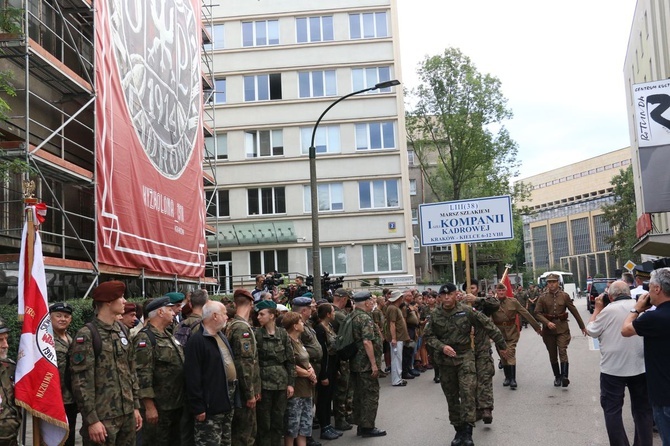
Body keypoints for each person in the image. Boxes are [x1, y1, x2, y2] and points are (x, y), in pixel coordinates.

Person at [424, 283, 508, 446]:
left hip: (465, 358)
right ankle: (459, 431)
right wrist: (442, 347)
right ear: (440, 297)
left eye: (450, 294)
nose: (447, 298)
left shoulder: (467, 311)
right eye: (444, 295)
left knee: (468, 392)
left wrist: (502, 345)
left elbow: (488, 324)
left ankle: (468, 433)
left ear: (456, 295)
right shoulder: (435, 315)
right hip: (446, 361)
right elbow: (428, 336)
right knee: (452, 397)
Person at [70, 280, 143, 445]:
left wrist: (135, 406)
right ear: (108, 302)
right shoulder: (87, 334)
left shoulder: (122, 330)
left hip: (127, 414)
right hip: (103, 419)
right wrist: (92, 420)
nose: (125, 301)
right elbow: (81, 382)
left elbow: (131, 371)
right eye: (121, 297)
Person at [586, 280, 652, 446]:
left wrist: (597, 309)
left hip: (612, 369)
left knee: (612, 411)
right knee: (643, 411)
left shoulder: (607, 311)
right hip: (640, 366)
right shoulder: (640, 308)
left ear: (610, 296)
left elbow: (591, 330)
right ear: (629, 292)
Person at [622, 267, 670, 444]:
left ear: (657, 289)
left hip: (664, 395)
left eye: (649, 287)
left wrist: (636, 309)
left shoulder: (654, 318)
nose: (648, 292)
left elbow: (625, 330)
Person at [184, 300, 238, 446]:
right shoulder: (197, 341)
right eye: (224, 314)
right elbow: (192, 377)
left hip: (226, 400)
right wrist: (198, 406)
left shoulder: (221, 336)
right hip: (209, 406)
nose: (227, 317)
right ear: (215, 316)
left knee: (225, 441)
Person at [134, 296, 184, 446]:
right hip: (159, 407)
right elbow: (142, 375)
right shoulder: (146, 338)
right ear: (160, 312)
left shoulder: (168, 335)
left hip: (175, 404)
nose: (174, 313)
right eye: (170, 309)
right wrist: (149, 407)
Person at [534, 273, 587, 387]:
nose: (551, 284)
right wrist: (547, 323)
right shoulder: (542, 297)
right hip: (548, 331)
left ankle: (564, 377)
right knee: (553, 355)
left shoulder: (564, 296)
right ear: (547, 284)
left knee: (562, 350)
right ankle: (557, 377)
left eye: (553, 282)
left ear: (558, 283)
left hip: (562, 328)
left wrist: (582, 326)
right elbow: (537, 313)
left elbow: (574, 311)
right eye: (549, 282)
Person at [255, 300, 295, 446]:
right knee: (264, 423)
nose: (258, 317)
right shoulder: (257, 334)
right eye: (258, 314)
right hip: (264, 384)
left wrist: (291, 384)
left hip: (281, 383)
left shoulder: (283, 334)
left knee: (278, 421)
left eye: (262, 314)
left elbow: (290, 360)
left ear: (272, 316)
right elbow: (254, 363)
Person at [461, 279, 501, 424]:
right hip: (466, 348)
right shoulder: (460, 305)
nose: (471, 291)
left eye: (473, 288)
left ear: (477, 289)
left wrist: (477, 299)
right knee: (470, 381)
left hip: (482, 346)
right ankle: (476, 408)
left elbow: (496, 304)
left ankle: (486, 409)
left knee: (485, 377)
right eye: (468, 289)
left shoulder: (484, 303)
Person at [225, 289, 261, 446]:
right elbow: (244, 364)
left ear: (234, 304)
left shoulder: (235, 325)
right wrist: (250, 394)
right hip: (243, 391)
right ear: (251, 304)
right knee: (244, 435)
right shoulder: (241, 329)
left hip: (242, 390)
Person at [490, 283, 541, 390]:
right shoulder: (492, 303)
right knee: (503, 355)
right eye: (499, 291)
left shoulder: (513, 302)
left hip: (511, 332)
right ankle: (507, 377)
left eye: (503, 291)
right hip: (498, 333)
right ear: (496, 292)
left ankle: (513, 379)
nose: (501, 293)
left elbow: (525, 313)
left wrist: (536, 327)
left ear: (506, 291)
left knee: (510, 352)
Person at [349, 291, 386, 438]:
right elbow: (367, 341)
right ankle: (368, 427)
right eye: (371, 301)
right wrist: (374, 365)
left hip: (355, 363)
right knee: (370, 395)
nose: (373, 303)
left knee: (359, 395)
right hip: (365, 364)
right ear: (366, 303)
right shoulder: (364, 318)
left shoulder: (352, 316)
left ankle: (361, 424)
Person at [176, 288, 208, 446]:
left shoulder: (181, 325)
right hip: (199, 385)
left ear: (190, 302)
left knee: (185, 427)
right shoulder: (203, 327)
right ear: (206, 304)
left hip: (181, 381)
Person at [282, 312, 317, 446]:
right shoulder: (288, 342)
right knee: (292, 428)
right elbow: (290, 365)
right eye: (301, 322)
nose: (303, 324)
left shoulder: (299, 341)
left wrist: (311, 371)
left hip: (306, 390)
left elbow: (306, 360)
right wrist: (308, 374)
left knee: (304, 428)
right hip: (295, 391)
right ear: (295, 326)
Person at [313, 303, 342, 441]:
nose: (334, 314)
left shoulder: (329, 327)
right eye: (332, 312)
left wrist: (336, 369)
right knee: (323, 399)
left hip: (331, 367)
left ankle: (328, 425)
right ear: (328, 314)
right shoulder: (319, 329)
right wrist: (323, 375)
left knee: (329, 397)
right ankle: (324, 426)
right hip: (324, 368)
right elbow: (322, 353)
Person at [50, 302, 77, 446]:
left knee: (69, 436)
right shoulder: (45, 341)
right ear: (50, 318)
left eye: (66, 316)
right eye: (58, 315)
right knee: (54, 439)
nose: (62, 319)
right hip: (55, 398)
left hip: (71, 398)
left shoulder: (71, 339)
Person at [331, 288, 354, 431]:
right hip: (342, 355)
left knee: (343, 388)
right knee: (342, 388)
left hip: (338, 354)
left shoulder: (333, 311)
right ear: (344, 299)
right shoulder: (339, 314)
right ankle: (341, 418)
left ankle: (345, 414)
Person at [0, 317, 20, 445]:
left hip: (11, 438)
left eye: (6, 339)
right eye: (0, 340)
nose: (5, 345)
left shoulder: (10, 367)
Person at [384, 290, 411, 385]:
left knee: (398, 358)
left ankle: (398, 378)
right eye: (401, 297)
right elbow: (392, 324)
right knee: (396, 359)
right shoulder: (392, 308)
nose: (402, 298)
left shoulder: (395, 308)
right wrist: (394, 338)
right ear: (398, 298)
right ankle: (396, 380)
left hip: (399, 337)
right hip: (397, 338)